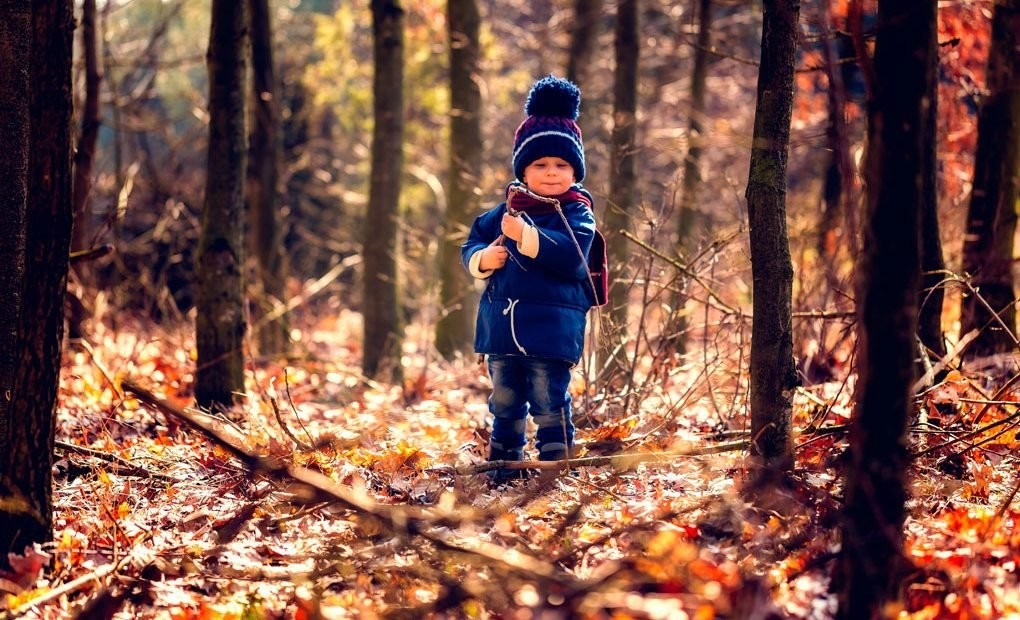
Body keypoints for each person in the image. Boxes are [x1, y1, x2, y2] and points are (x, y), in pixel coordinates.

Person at [461, 75, 598, 484]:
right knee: (504, 400)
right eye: (540, 165)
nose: (552, 173)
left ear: (575, 171)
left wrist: (528, 236)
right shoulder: (504, 211)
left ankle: (555, 467)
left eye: (561, 165)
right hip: (502, 329)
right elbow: (471, 243)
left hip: (551, 333)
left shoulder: (576, 213)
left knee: (548, 399)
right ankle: (505, 466)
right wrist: (484, 258)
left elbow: (574, 257)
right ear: (524, 168)